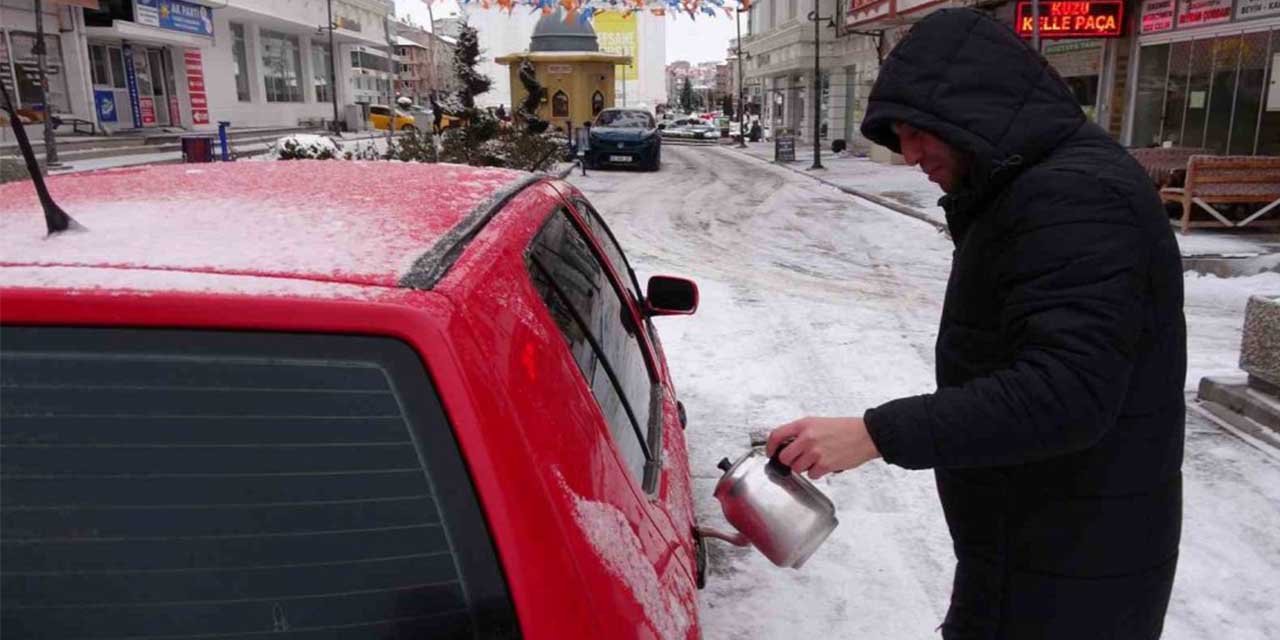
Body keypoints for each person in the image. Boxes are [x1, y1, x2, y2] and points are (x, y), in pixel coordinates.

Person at [765, 9, 1185, 639]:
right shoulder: (1034, 186)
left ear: (971, 111)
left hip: (1071, 572)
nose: (908, 155)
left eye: (916, 133)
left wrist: (876, 434)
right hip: (1041, 547)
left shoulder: (1074, 198)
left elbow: (1067, 394)